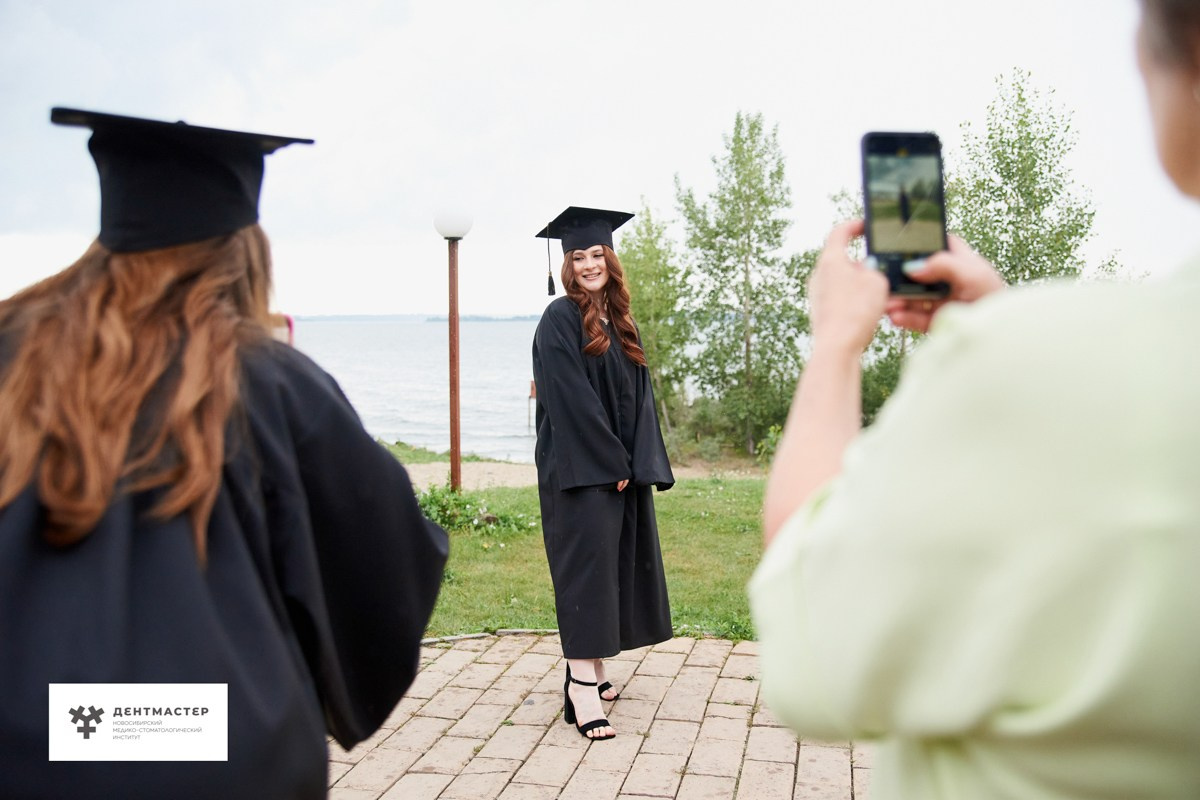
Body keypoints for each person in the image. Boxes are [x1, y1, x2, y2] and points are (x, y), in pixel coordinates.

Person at [749, 2, 1200, 797]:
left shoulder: (1021, 361)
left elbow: (813, 638)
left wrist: (833, 348)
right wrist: (1007, 326)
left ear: (1171, 61)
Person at [0, 108, 449, 799]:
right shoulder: (272, 386)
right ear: (242, 249)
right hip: (220, 747)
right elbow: (382, 563)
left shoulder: (12, 362)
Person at [532, 206, 674, 741]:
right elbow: (569, 400)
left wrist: (638, 461)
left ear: (610, 260)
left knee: (613, 568)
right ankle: (581, 689)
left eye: (597, 254)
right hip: (580, 469)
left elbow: (640, 397)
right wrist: (610, 461)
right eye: (578, 256)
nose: (589, 264)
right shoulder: (558, 319)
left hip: (618, 469)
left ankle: (586, 671)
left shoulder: (619, 320)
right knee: (585, 574)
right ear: (567, 265)